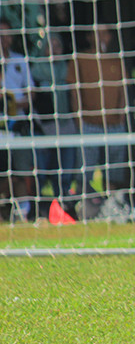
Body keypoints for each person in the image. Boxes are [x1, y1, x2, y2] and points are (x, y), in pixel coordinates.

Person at [67, 25, 134, 217]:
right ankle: (85, 209)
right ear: (89, 36)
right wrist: (78, 118)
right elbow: (74, 90)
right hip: (89, 123)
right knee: (85, 170)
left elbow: (123, 88)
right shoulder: (80, 58)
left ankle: (111, 206)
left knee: (114, 170)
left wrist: (121, 115)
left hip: (114, 124)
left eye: (105, 33)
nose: (101, 37)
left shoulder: (117, 59)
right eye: (97, 33)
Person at [31, 32, 80, 217]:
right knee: (42, 170)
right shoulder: (35, 71)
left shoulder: (67, 69)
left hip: (66, 126)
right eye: (50, 45)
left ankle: (64, 207)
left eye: (58, 45)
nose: (55, 49)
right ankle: (38, 209)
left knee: (66, 169)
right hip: (44, 128)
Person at [1, 20, 36, 221]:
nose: (3, 39)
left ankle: (23, 212)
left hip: (18, 125)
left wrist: (14, 104)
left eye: (6, 34)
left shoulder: (20, 61)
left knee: (21, 170)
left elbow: (31, 93)